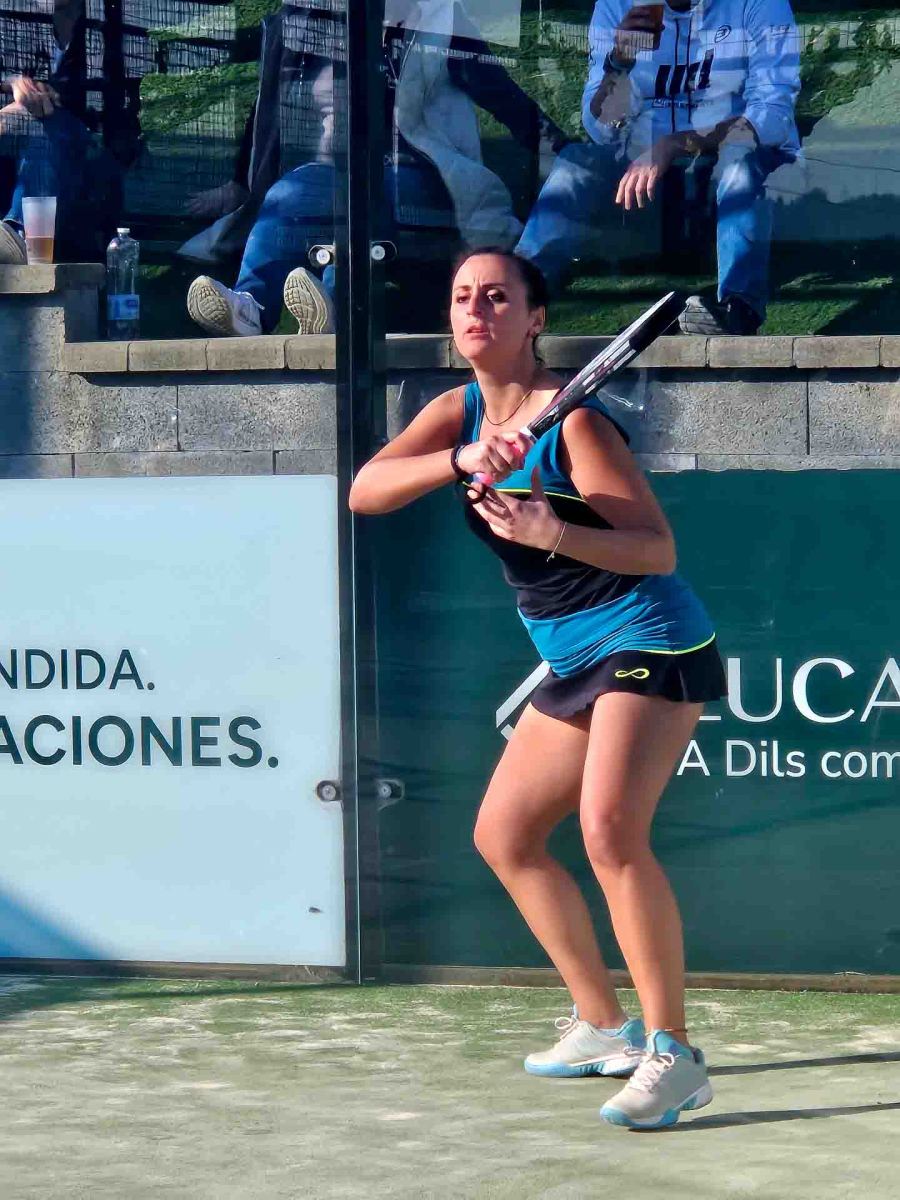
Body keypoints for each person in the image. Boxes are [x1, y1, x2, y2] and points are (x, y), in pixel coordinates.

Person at [348, 248, 726, 1130]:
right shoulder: (458, 411)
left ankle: (675, 1056)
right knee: (506, 835)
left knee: (609, 832)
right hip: (570, 657)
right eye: (462, 297)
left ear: (535, 318)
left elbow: (655, 550)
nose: (475, 311)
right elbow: (366, 490)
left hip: (647, 637)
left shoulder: (580, 427)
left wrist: (550, 528)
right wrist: (461, 457)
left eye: (496, 297)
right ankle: (603, 1024)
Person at [186, 0, 569, 337]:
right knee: (288, 192)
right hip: (336, 172)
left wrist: (564, 150)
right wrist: (242, 183)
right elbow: (269, 111)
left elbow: (503, 95)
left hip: (426, 174)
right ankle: (252, 306)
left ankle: (332, 303)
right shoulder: (313, 21)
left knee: (365, 193)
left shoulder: (441, 20)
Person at [515, 0, 801, 335]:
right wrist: (619, 62)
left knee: (740, 162)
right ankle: (515, 296)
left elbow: (772, 117)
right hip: (644, 164)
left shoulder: (759, 3)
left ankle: (738, 311)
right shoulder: (617, 5)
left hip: (731, 159)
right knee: (576, 163)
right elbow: (602, 131)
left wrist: (677, 143)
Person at [0, 0, 136, 264]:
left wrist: (33, 104)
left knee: (54, 131)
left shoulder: (95, 35)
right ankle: (20, 236)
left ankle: (19, 238)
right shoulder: (15, 23)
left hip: (64, 150)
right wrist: (11, 97)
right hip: (16, 139)